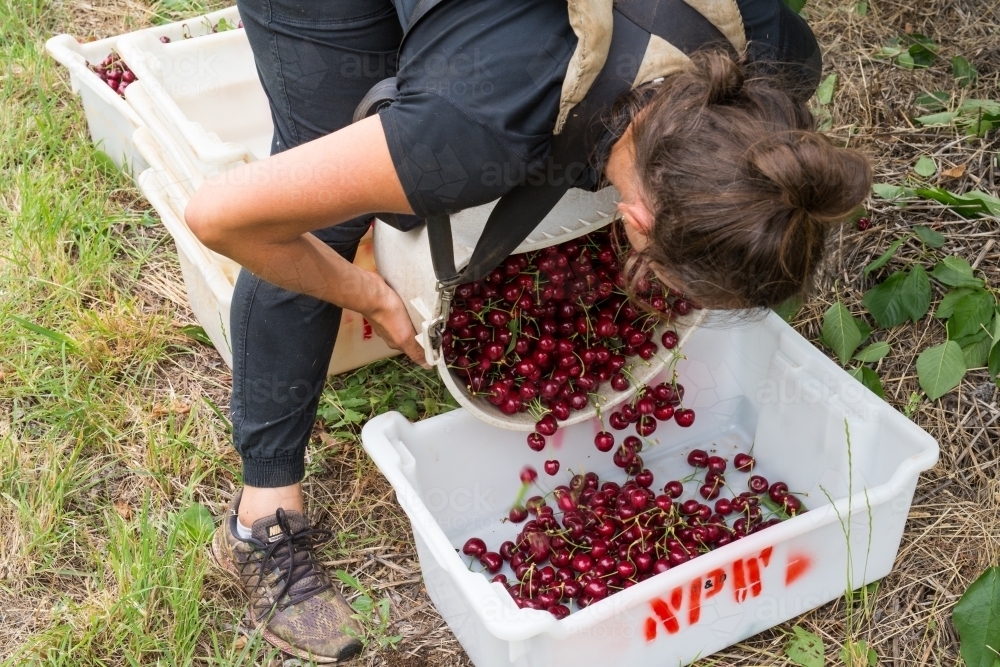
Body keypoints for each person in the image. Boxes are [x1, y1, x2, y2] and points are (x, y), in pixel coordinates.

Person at [185, 0, 872, 661]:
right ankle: (259, 517)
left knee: (441, 92)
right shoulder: (470, 132)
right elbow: (221, 217)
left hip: (502, 72)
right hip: (472, 89)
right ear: (630, 221)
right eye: (663, 279)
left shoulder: (774, 62)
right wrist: (368, 293)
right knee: (318, 218)